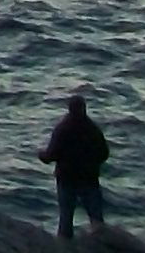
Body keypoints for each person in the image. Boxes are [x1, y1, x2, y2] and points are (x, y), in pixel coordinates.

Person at [38, 93, 111, 238]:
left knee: (66, 219)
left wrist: (41, 155)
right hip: (89, 178)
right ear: (84, 109)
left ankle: (65, 251)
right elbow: (104, 153)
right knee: (96, 219)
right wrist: (92, 164)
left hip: (67, 179)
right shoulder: (93, 129)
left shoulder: (62, 129)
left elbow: (51, 155)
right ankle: (104, 249)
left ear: (69, 109)